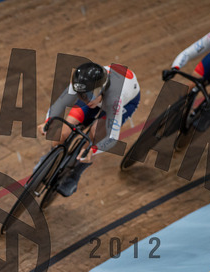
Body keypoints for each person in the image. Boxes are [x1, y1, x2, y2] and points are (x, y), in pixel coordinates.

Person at [39, 61, 140, 196]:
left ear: (102, 89)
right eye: (82, 95)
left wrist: (92, 150)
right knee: (63, 131)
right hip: (101, 94)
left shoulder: (114, 98)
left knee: (94, 134)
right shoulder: (80, 85)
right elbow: (59, 104)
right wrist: (47, 122)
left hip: (124, 102)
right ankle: (49, 159)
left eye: (91, 95)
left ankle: (75, 174)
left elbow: (112, 137)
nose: (87, 100)